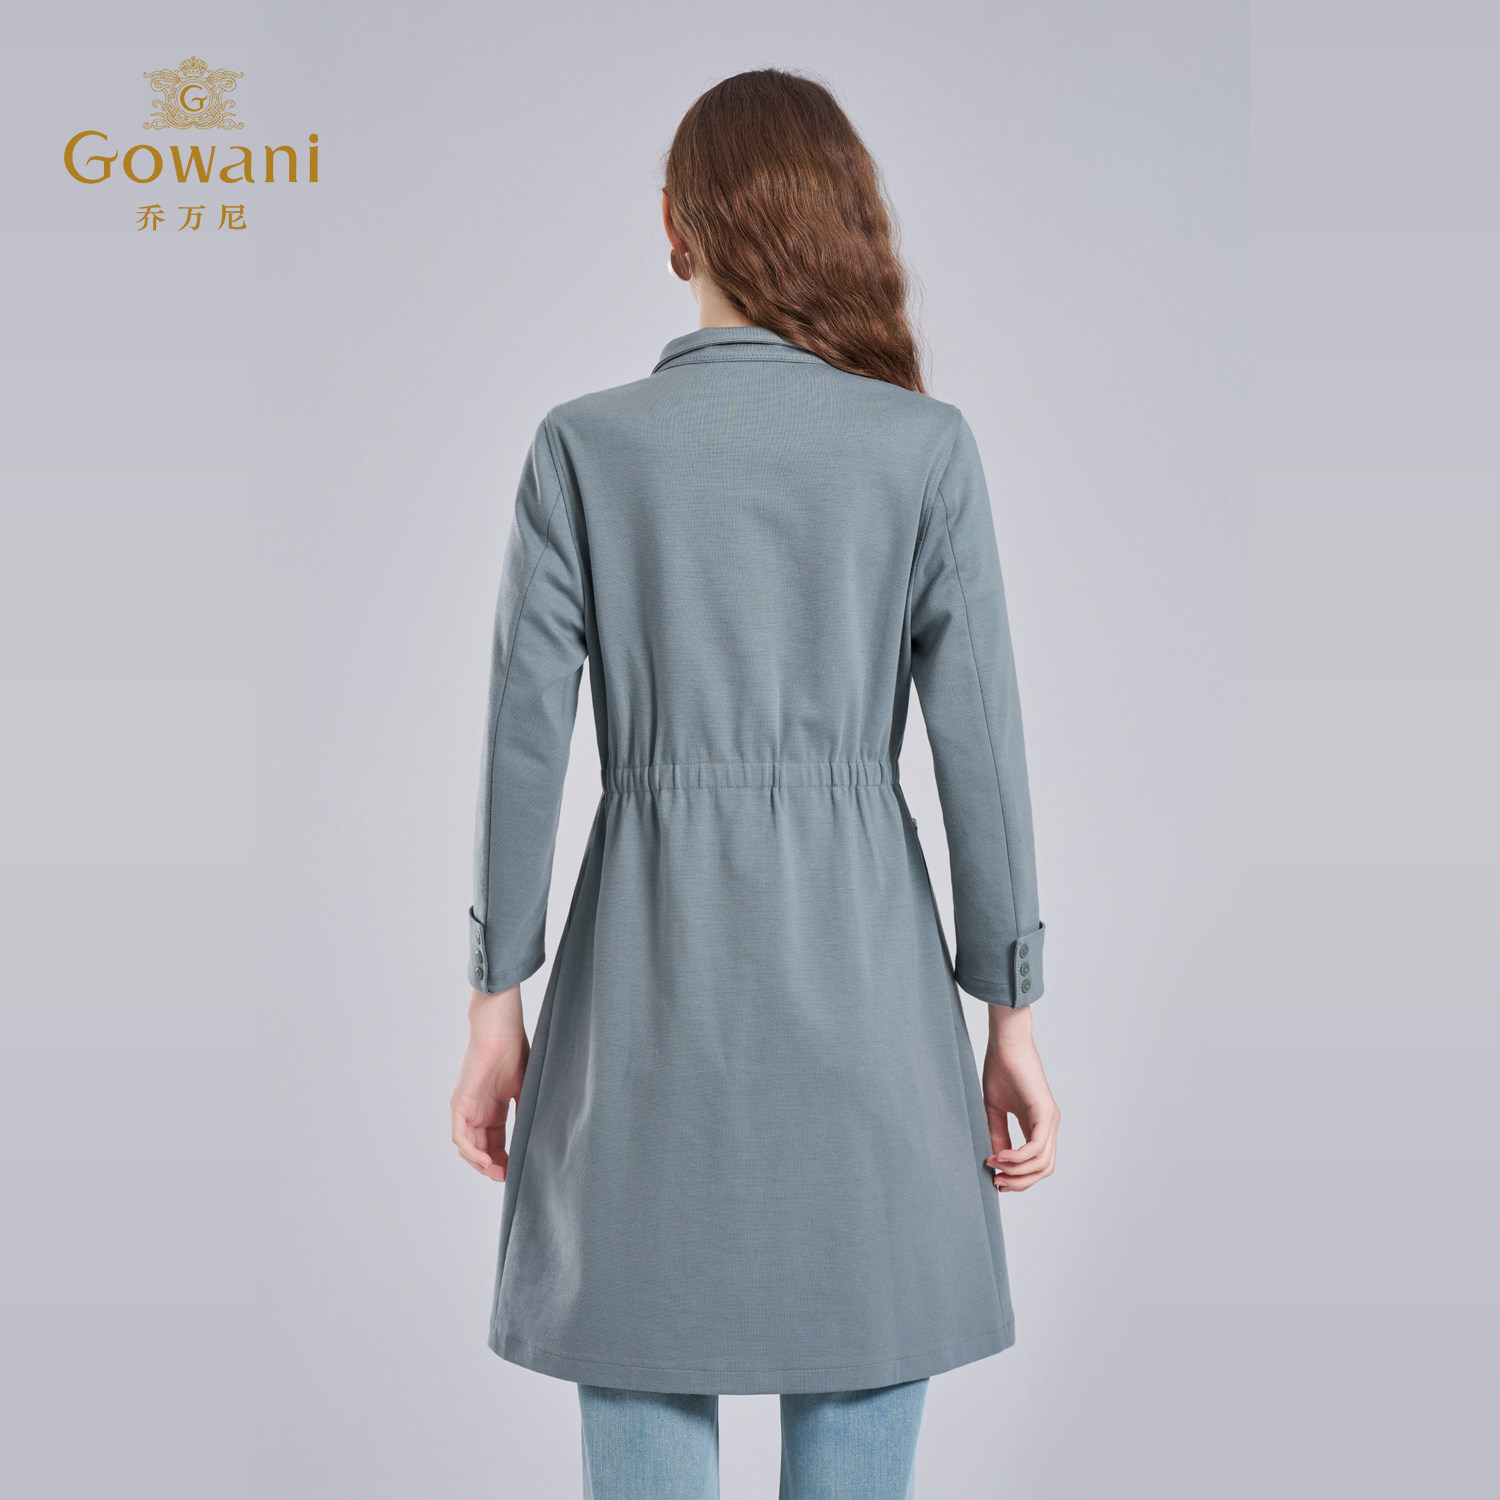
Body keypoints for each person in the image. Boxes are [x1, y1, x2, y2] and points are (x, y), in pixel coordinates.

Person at [450, 68, 1060, 1500]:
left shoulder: (584, 448)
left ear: (676, 227)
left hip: (638, 1009)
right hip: (870, 1008)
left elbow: (521, 747)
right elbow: (984, 754)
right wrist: (1012, 1011)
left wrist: (494, 1005)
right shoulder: (923, 449)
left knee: (638, 1354)